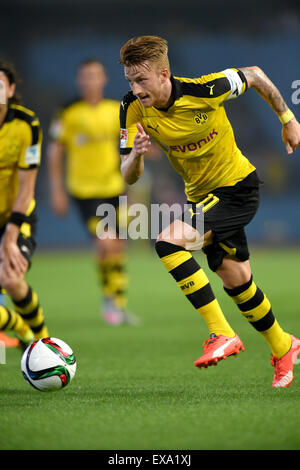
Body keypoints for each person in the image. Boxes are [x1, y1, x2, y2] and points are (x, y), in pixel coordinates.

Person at [118, 35, 300, 388]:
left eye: (141, 80)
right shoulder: (131, 108)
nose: (135, 88)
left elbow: (257, 75)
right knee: (237, 280)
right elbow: (128, 175)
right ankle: (284, 345)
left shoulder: (207, 89)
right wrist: (137, 154)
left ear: (164, 74)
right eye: (130, 81)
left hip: (237, 189)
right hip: (201, 198)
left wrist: (288, 119)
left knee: (168, 243)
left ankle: (221, 333)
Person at [48, 58, 138, 325]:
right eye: (86, 76)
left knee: (116, 247)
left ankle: (118, 303)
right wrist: (57, 190)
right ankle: (110, 302)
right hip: (84, 190)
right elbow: (55, 152)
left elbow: (125, 147)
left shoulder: (115, 109)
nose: (91, 80)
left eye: (95, 75)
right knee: (106, 242)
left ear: (104, 79)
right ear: (79, 80)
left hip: (114, 186)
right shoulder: (68, 112)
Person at [0, 60, 49, 348]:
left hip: (16, 215)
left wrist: (9, 235)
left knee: (11, 279)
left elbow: (26, 187)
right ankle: (21, 331)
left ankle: (43, 342)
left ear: (11, 90)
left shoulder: (26, 124)